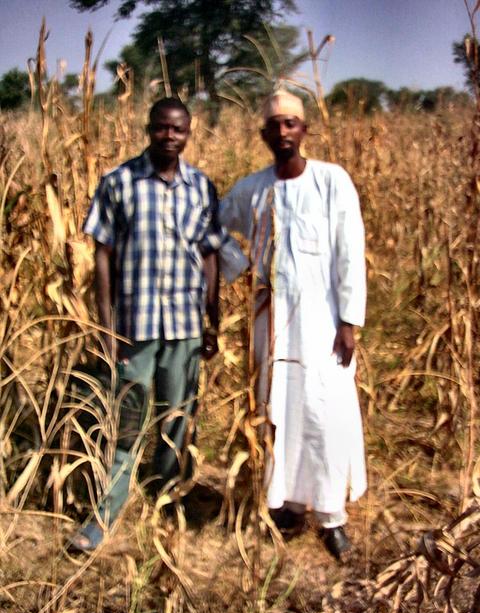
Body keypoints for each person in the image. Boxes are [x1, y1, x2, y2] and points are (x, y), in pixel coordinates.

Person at [219, 90, 367, 560]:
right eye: (274, 126)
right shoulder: (252, 189)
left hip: (324, 321)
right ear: (263, 134)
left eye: (291, 124)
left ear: (304, 130)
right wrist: (240, 265)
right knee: (279, 407)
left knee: (324, 412)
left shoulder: (331, 181)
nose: (282, 132)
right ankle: (286, 504)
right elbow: (212, 225)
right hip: (272, 321)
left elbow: (349, 251)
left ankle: (331, 516)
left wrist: (348, 321)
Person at [72, 97, 225, 550]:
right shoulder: (118, 182)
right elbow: (102, 255)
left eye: (178, 130)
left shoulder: (201, 186)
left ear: (188, 132)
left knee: (178, 418)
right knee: (128, 420)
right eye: (161, 128)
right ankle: (104, 515)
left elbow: (210, 254)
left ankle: (167, 496)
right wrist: (104, 326)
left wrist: (213, 320)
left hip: (184, 325)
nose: (169, 137)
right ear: (148, 128)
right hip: (133, 326)